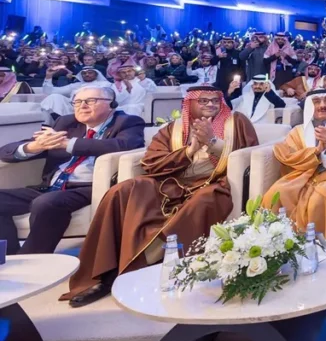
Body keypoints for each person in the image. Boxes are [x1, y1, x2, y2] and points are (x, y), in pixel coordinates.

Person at [60, 86, 259, 307]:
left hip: (212, 184)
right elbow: (151, 162)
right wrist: (188, 151)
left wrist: (212, 142)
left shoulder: (236, 122)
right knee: (122, 190)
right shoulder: (174, 129)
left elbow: (246, 155)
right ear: (190, 103)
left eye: (214, 100)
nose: (210, 105)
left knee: (203, 202)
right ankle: (100, 272)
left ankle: (141, 269)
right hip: (170, 184)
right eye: (203, 101)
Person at [0, 87, 145, 254]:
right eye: (77, 102)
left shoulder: (127, 122)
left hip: (88, 187)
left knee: (46, 203)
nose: (82, 106)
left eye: (90, 101)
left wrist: (68, 144)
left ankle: (30, 260)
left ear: (111, 104)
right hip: (51, 186)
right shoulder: (66, 123)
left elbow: (123, 145)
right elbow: (6, 151)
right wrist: (35, 146)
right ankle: (7, 257)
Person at [261, 89, 326, 238]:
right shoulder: (298, 132)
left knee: (321, 198)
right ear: (310, 106)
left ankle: (321, 246)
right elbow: (291, 161)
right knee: (275, 194)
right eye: (317, 102)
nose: (323, 105)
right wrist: (316, 151)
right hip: (304, 177)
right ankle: (279, 245)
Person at [40, 66, 111, 118]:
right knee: (54, 97)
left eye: (90, 73)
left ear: (96, 74)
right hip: (74, 108)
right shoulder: (76, 85)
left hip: (95, 108)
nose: (87, 75)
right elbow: (50, 91)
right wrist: (48, 76)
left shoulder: (106, 84)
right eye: (84, 73)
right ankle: (55, 123)